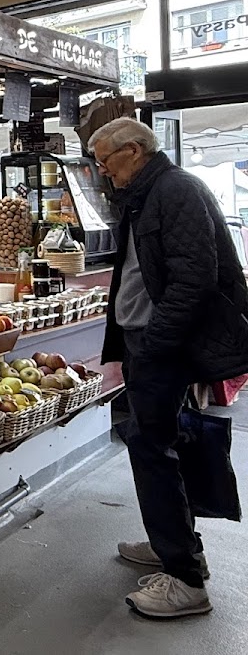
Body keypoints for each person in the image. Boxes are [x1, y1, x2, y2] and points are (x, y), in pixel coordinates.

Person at [92, 117, 248, 619]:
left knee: (152, 446)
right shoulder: (145, 195)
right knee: (157, 443)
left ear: (134, 151)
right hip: (149, 341)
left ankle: (185, 579)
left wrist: (156, 344)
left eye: (106, 160)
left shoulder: (176, 191)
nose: (102, 170)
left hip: (162, 345)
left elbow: (194, 280)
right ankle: (175, 545)